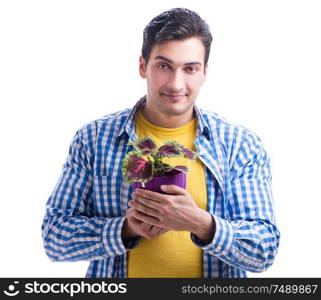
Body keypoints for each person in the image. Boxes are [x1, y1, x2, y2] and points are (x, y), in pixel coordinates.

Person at [41, 7, 280, 278]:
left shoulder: (239, 145)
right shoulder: (94, 139)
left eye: (190, 68)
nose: (176, 83)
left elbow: (264, 250)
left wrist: (201, 224)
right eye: (164, 66)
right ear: (143, 66)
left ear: (204, 73)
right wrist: (126, 229)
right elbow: (54, 238)